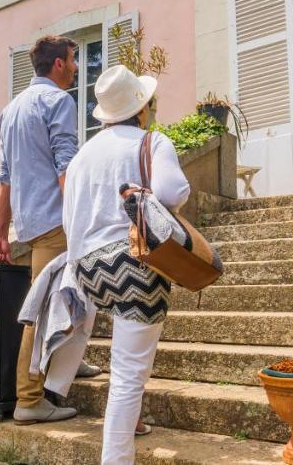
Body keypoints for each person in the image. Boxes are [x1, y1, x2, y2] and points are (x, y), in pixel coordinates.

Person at [62, 65, 190, 465]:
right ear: (142, 108)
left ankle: (125, 432)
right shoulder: (152, 142)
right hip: (133, 266)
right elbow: (175, 192)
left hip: (86, 267)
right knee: (128, 376)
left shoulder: (84, 155)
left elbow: (70, 216)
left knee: (125, 372)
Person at [0, 35, 99, 426]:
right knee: (42, 309)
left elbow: (5, 179)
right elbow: (65, 167)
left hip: (29, 222)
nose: (76, 67)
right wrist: (82, 218)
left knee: (76, 295)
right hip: (57, 220)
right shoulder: (59, 101)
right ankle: (30, 398)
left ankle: (68, 360)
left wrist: (1, 233)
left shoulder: (10, 110)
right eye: (73, 60)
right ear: (57, 64)